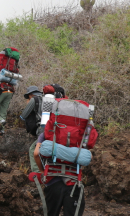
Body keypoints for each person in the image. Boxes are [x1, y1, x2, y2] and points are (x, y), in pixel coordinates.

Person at [31, 85, 86, 216]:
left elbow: (36, 153)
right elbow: (85, 154)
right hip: (74, 183)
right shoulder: (81, 133)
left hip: (52, 181)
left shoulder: (48, 132)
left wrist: (42, 172)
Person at [20, 86, 45, 173]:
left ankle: (37, 172)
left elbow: (23, 116)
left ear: (30, 94)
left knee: (33, 150)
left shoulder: (34, 99)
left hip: (43, 130)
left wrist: (29, 104)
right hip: (55, 129)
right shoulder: (47, 98)